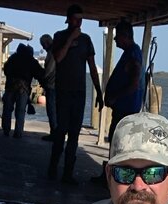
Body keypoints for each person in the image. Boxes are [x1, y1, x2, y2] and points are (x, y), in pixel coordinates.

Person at [47, 4, 103, 186]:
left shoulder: (86, 40)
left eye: (81, 19)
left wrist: (99, 91)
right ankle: (53, 167)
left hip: (79, 94)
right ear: (69, 19)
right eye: (76, 19)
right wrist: (70, 39)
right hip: (63, 92)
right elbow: (58, 58)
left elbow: (92, 67)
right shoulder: (59, 36)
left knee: (74, 135)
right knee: (60, 132)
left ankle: (68, 173)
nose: (79, 23)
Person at [90, 20, 144, 187]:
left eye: (117, 36)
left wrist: (115, 97)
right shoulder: (129, 53)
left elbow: (134, 83)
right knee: (115, 142)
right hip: (122, 109)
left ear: (124, 36)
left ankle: (113, 178)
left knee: (118, 143)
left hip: (126, 110)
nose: (115, 40)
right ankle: (110, 176)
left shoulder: (133, 54)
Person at [2, 44, 45, 139]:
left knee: (7, 109)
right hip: (23, 89)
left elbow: (6, 70)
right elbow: (40, 73)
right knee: (20, 111)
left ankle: (6, 130)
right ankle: (18, 133)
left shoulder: (13, 58)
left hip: (10, 86)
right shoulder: (31, 60)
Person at [39, 34, 57, 141]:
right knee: (54, 110)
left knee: (52, 110)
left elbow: (49, 70)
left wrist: (43, 78)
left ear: (47, 43)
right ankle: (55, 132)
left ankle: (54, 133)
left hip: (52, 86)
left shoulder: (52, 53)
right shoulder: (55, 51)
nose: (43, 47)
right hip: (55, 85)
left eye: (43, 44)